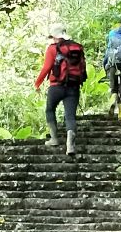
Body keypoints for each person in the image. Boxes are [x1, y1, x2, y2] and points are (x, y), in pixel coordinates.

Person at [34, 23, 87, 155]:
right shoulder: (77, 48)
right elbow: (83, 67)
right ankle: (70, 145)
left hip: (56, 86)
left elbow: (46, 68)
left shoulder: (52, 49)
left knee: (50, 109)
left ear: (55, 37)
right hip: (73, 87)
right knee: (70, 116)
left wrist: (37, 83)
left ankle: (54, 138)